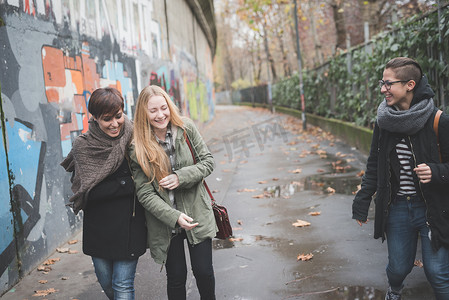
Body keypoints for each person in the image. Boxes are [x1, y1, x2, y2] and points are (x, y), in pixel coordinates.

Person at [352, 57, 449, 300]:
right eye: (381, 83)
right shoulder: (384, 122)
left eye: (388, 83)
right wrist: (362, 200)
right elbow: (374, 163)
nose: (383, 89)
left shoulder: (438, 121)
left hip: (432, 209)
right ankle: (394, 291)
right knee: (397, 269)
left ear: (410, 84)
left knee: (438, 273)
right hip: (396, 208)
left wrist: (436, 172)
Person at [128, 85, 217, 300]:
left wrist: (181, 177)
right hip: (166, 224)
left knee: (204, 272)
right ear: (143, 113)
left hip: (197, 212)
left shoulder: (186, 128)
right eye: (153, 111)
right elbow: (145, 194)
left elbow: (208, 162)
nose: (160, 115)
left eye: (163, 107)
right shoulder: (137, 147)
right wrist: (174, 217)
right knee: (176, 278)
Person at [61, 87, 147, 300]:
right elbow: (87, 191)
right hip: (98, 227)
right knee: (107, 283)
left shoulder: (133, 136)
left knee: (122, 285)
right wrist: (128, 184)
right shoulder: (83, 146)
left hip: (130, 224)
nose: (115, 123)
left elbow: (147, 177)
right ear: (95, 118)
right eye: (107, 119)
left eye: (118, 116)